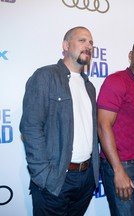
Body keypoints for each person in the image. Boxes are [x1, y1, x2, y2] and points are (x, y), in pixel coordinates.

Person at [19, 26, 100, 216]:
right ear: (65, 45)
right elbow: (30, 127)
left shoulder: (90, 87)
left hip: (85, 179)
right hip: (56, 179)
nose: (88, 45)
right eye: (82, 40)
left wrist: (91, 177)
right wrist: (44, 175)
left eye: (91, 43)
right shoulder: (45, 76)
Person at [97, 38, 134, 216]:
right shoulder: (116, 81)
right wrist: (118, 171)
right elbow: (102, 125)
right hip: (122, 166)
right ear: (131, 55)